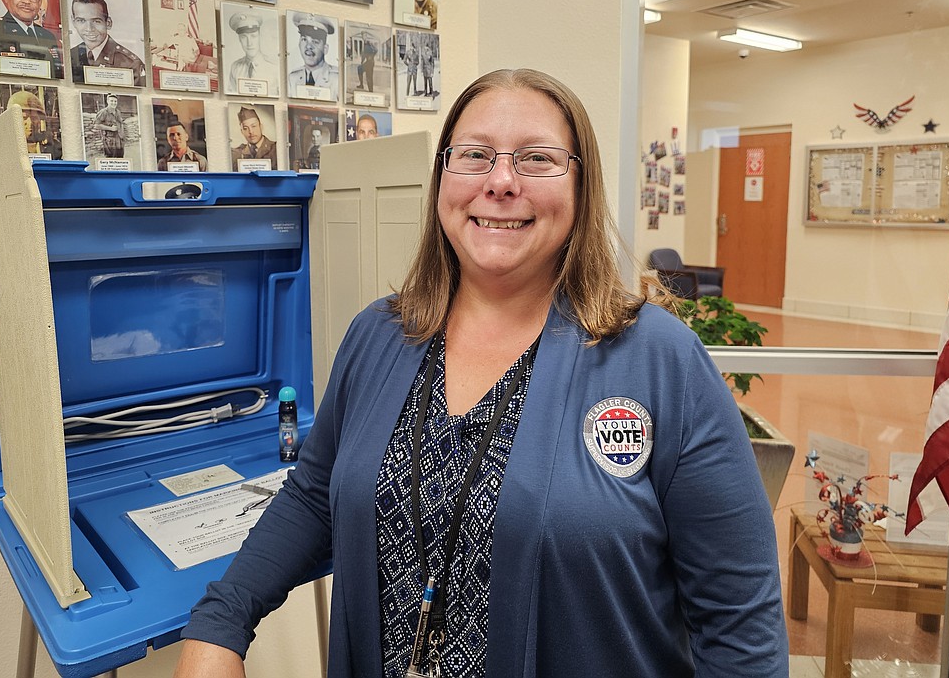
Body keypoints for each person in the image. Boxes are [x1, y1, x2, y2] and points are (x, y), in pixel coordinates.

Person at [173, 69, 788, 678]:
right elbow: (313, 495)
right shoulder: (378, 336)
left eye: (537, 159)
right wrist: (222, 621)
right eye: (474, 156)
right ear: (443, 177)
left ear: (582, 185)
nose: (500, 182)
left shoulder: (659, 359)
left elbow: (739, 624)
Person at [68, 0, 146, 86]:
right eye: (81, 21)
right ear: (73, 22)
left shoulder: (131, 64)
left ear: (108, 23)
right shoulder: (69, 55)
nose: (89, 28)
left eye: (96, 21)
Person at [287, 12, 338, 97]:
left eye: (315, 42)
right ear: (299, 44)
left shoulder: (336, 79)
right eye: (304, 39)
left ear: (325, 49)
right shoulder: (292, 79)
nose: (308, 46)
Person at [227, 12, 278, 95]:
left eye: (253, 36)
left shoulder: (274, 68)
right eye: (244, 37)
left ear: (260, 37)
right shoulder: (235, 67)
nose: (249, 43)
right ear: (239, 40)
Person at [7, 89, 59, 157]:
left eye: (34, 118)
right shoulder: (5, 147)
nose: (30, 123)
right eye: (24, 118)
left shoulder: (54, 147)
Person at [93, 93, 126, 158]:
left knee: (121, 159)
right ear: (107, 101)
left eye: (115, 101)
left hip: (119, 140)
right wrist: (110, 128)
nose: (114, 103)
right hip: (109, 141)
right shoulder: (103, 112)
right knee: (111, 159)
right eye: (111, 101)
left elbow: (121, 123)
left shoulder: (117, 112)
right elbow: (96, 125)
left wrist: (122, 135)